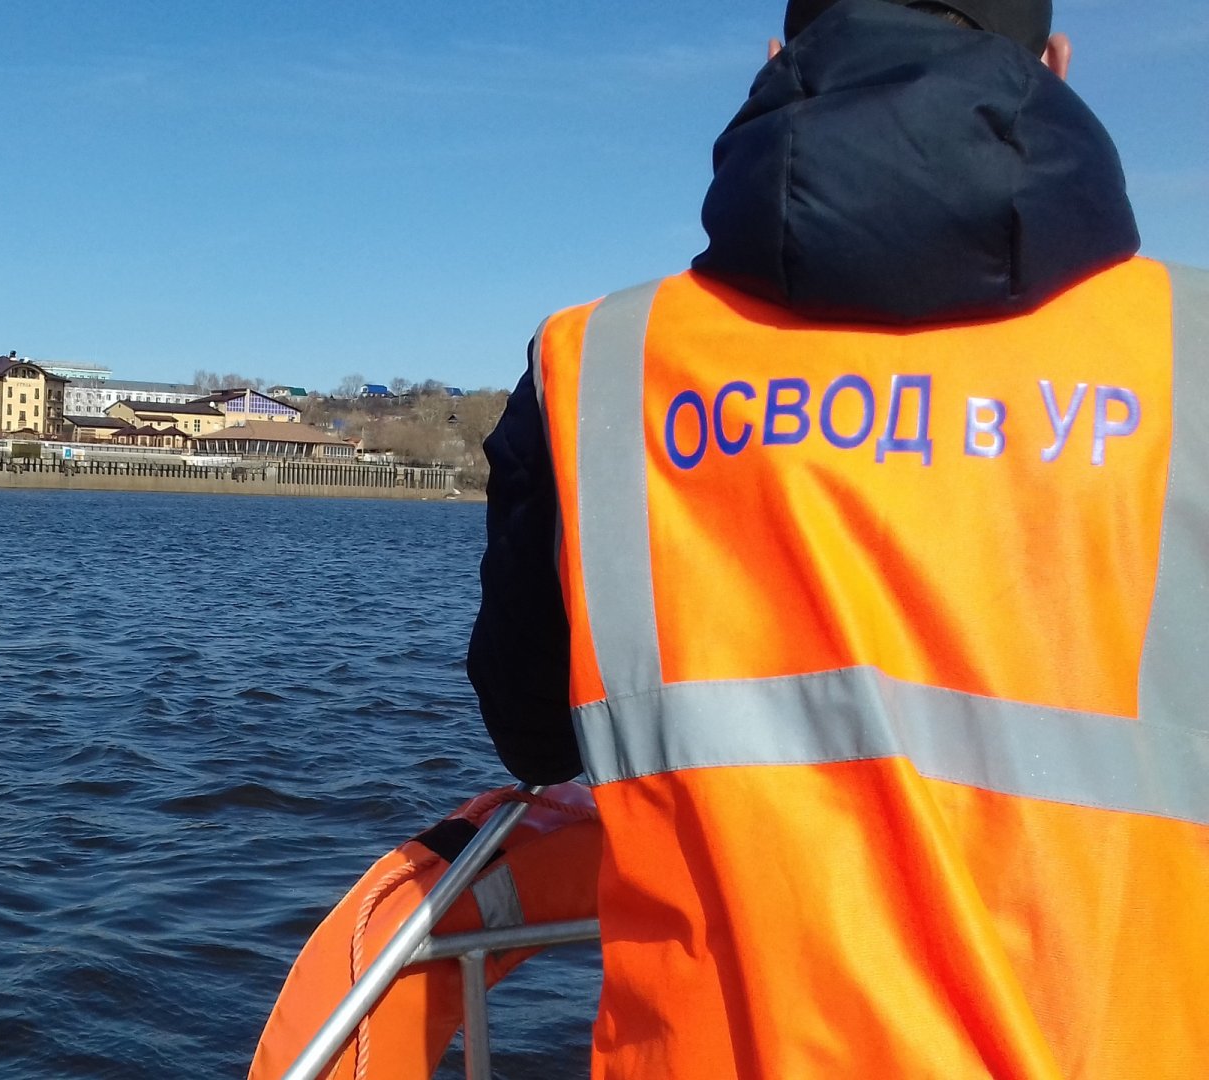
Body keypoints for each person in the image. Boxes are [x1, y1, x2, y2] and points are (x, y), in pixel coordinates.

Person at [468, 0, 1206, 1075]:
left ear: (778, 59)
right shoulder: (1189, 358)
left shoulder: (599, 363)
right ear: (1055, 65)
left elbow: (534, 736)